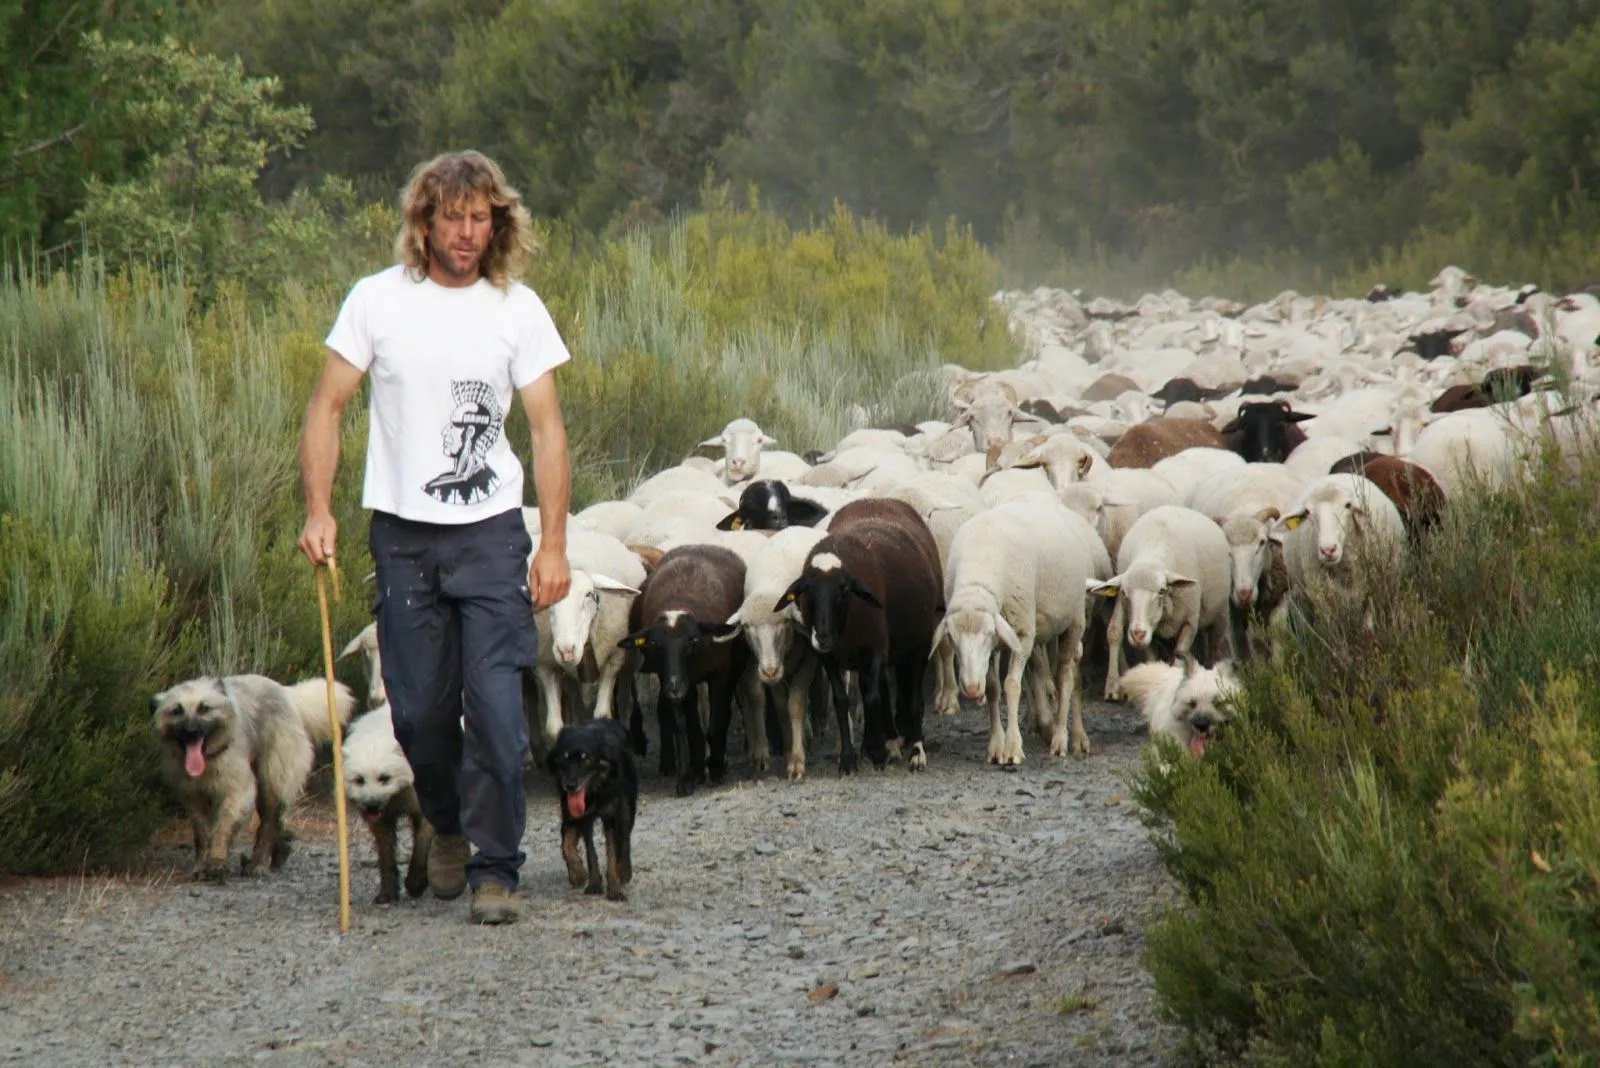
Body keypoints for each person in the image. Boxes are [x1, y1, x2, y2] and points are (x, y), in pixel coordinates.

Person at [298, 150, 572, 926]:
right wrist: (319, 509)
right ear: (424, 221)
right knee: (417, 713)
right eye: (452, 217)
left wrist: (552, 543)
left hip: (490, 536)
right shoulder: (376, 302)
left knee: (494, 708)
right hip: (404, 538)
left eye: (481, 218)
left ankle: (497, 868)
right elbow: (327, 405)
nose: (466, 232)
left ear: (500, 223)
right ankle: (446, 821)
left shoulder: (517, 308)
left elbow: (547, 430)